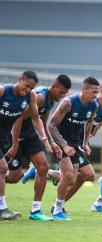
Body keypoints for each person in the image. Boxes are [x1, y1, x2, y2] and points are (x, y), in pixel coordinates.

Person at [6, 74, 71, 221]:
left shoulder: (51, 101)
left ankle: (35, 211)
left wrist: (50, 142)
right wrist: (15, 143)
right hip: (15, 134)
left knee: (43, 167)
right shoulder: (41, 97)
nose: (62, 97)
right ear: (53, 87)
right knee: (13, 177)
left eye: (65, 94)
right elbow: (19, 118)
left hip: (30, 135)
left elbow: (43, 120)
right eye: (61, 93)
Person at [0, 70, 51, 220]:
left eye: (31, 88)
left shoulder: (31, 96)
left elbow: (36, 118)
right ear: (20, 79)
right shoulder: (3, 91)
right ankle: (2, 209)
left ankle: (34, 211)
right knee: (2, 167)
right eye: (26, 86)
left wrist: (44, 138)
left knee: (8, 173)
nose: (28, 90)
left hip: (5, 137)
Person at [48, 77, 100, 221]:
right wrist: (63, 145)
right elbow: (51, 125)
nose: (96, 95)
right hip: (61, 142)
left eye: (97, 92)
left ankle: (50, 174)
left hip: (76, 145)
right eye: (93, 91)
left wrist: (85, 143)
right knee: (69, 177)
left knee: (88, 175)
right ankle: (57, 210)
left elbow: (89, 123)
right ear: (84, 90)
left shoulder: (94, 105)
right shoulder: (68, 103)